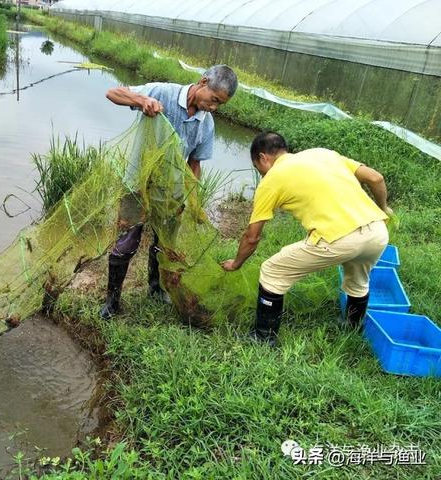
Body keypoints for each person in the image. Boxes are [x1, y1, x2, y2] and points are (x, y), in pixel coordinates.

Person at [221, 132, 391, 345]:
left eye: (258, 169)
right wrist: (382, 209)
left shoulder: (272, 180)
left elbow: (252, 237)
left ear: (263, 157)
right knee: (359, 280)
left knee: (273, 271)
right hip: (377, 233)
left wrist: (236, 263)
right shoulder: (322, 153)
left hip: (339, 240)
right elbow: (376, 178)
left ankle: (263, 337)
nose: (262, 175)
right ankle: (352, 328)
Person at [100, 65, 238, 319]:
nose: (214, 107)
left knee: (164, 245)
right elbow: (112, 93)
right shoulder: (162, 92)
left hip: (171, 193)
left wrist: (188, 197)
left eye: (220, 104)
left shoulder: (206, 124)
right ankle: (112, 301)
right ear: (203, 81)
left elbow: (194, 164)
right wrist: (143, 100)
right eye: (214, 99)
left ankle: (155, 288)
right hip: (137, 185)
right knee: (127, 242)